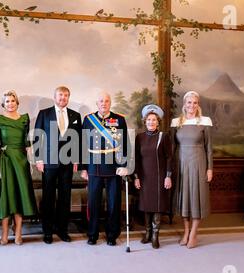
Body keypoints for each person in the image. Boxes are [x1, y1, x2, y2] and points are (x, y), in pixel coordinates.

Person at [0, 91, 38, 245]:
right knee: (6, 197)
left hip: (21, 162)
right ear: (3, 104)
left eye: (13, 100)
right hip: (5, 161)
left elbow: (27, 143)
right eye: (7, 101)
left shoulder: (24, 119)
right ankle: (5, 233)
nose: (10, 103)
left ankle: (19, 233)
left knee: (20, 197)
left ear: (17, 102)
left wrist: (31, 162)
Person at [34, 86, 82, 244]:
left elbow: (78, 139)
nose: (63, 98)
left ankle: (63, 230)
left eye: (66, 95)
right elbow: (37, 137)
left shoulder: (75, 115)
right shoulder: (44, 114)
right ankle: (47, 231)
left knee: (65, 197)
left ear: (68, 97)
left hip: (67, 163)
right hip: (48, 162)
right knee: (48, 197)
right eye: (60, 95)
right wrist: (39, 159)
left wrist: (76, 158)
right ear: (54, 96)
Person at [80, 92, 129, 246]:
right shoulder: (88, 120)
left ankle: (112, 235)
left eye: (106, 101)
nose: (104, 103)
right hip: (94, 167)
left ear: (110, 103)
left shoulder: (119, 119)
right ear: (97, 103)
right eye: (101, 101)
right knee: (93, 203)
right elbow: (82, 145)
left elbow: (125, 144)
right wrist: (83, 168)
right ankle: (92, 234)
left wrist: (123, 165)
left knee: (113, 203)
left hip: (113, 167)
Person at [170, 91, 213, 249]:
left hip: (198, 164)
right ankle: (186, 232)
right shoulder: (176, 122)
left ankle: (194, 233)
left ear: (198, 104)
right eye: (189, 102)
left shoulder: (204, 121)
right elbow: (172, 148)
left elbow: (209, 148)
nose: (192, 106)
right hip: (181, 165)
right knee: (185, 199)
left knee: (196, 198)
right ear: (184, 104)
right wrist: (171, 170)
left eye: (195, 103)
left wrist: (210, 169)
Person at [134, 104, 172, 249]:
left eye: (154, 120)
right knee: (146, 204)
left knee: (156, 205)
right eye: (149, 119)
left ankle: (156, 236)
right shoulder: (140, 137)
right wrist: (136, 177)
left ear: (158, 122)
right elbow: (136, 158)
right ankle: (148, 233)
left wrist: (168, 176)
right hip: (144, 176)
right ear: (145, 121)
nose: (151, 122)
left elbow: (169, 158)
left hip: (159, 176)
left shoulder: (164, 136)